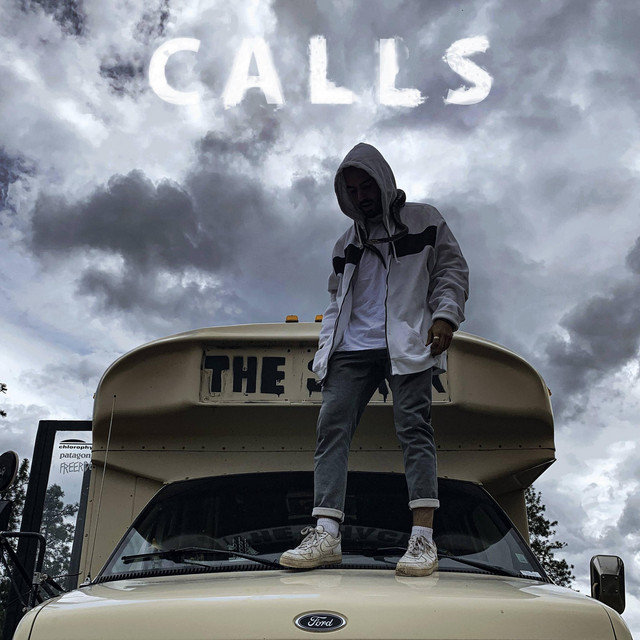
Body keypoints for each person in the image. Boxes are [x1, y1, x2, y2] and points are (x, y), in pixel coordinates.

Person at [279, 142, 469, 576]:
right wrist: (324, 353)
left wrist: (445, 316)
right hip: (353, 346)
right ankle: (326, 533)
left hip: (408, 340)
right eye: (351, 190)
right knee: (331, 427)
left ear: (383, 180)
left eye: (367, 186)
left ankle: (422, 538)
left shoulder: (425, 220)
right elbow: (335, 300)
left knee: (414, 428)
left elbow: (451, 271)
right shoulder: (346, 242)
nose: (361, 196)